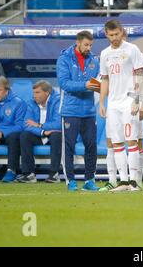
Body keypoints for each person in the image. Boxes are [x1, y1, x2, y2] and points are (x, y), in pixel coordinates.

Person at [99, 20, 143, 192]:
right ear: (106, 34)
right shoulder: (104, 54)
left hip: (129, 101)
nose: (114, 38)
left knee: (131, 140)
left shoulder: (132, 49)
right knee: (117, 142)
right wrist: (101, 102)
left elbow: (140, 74)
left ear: (122, 32)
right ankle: (123, 181)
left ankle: (135, 181)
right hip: (113, 104)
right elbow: (104, 79)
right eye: (111, 35)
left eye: (117, 34)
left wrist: (138, 100)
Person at [56, 30, 101, 192]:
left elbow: (98, 82)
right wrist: (85, 85)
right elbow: (64, 84)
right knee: (68, 147)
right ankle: (71, 181)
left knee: (91, 146)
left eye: (91, 45)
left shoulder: (95, 61)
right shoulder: (64, 59)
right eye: (86, 45)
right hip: (70, 110)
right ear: (78, 42)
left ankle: (90, 179)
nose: (89, 48)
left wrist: (99, 86)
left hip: (89, 111)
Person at [18, 81, 62, 183]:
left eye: (38, 93)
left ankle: (54, 174)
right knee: (25, 135)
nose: (34, 96)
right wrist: (42, 132)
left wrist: (40, 125)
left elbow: (59, 124)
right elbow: (27, 124)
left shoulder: (58, 101)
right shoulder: (31, 103)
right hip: (41, 134)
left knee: (56, 136)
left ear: (47, 93)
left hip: (55, 134)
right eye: (34, 93)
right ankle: (29, 174)